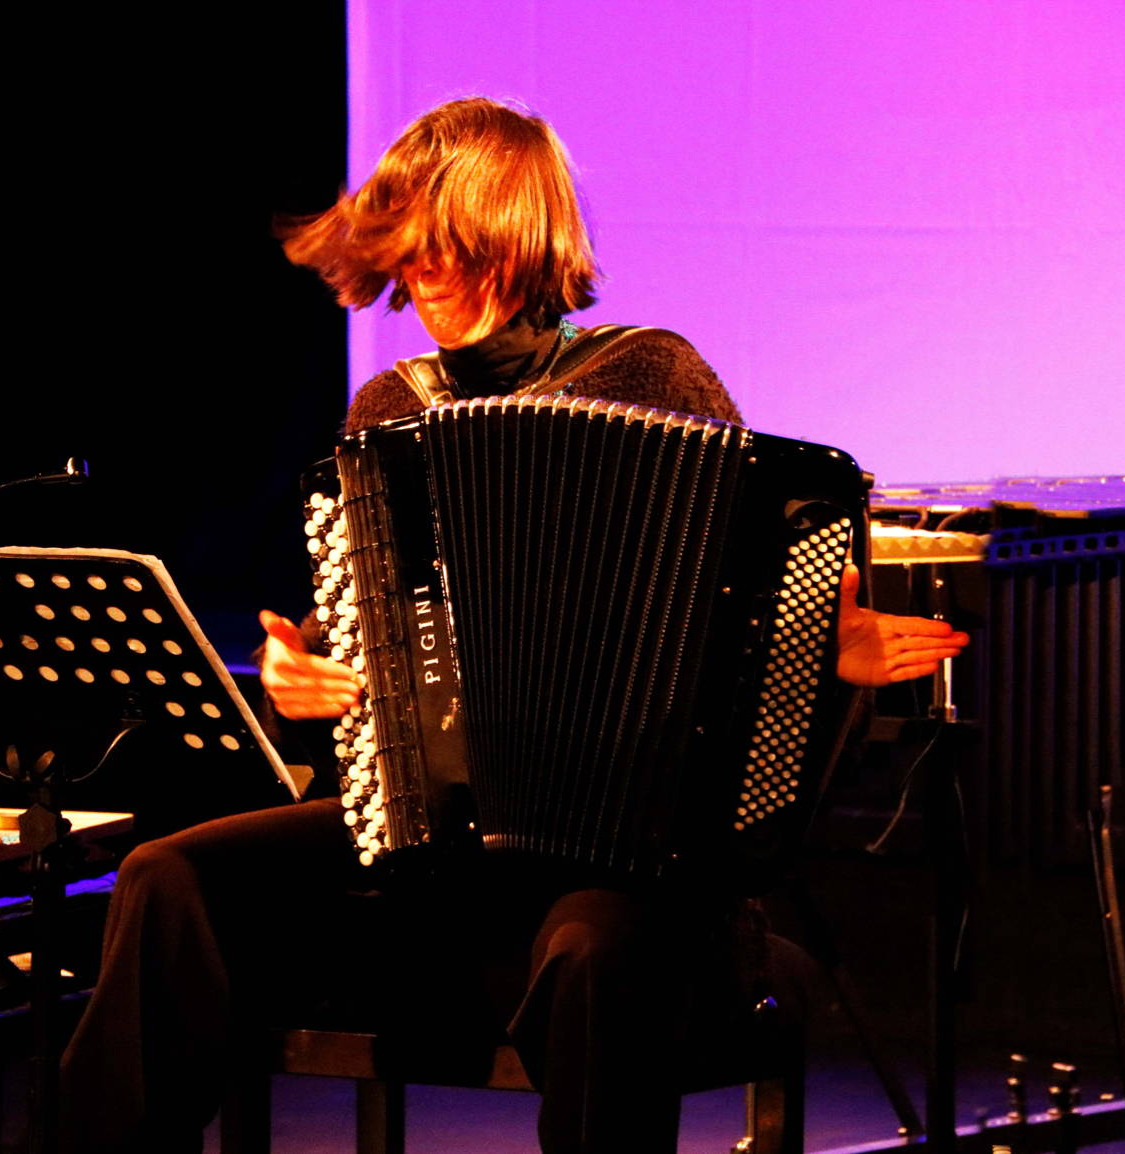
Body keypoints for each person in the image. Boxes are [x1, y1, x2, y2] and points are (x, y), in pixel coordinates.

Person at [61, 97, 968, 1154]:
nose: (425, 277)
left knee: (593, 949)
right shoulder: (387, 408)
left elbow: (746, 617)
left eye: (447, 247)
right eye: (409, 252)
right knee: (168, 876)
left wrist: (823, 654)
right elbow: (367, 646)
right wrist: (304, 674)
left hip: (633, 862)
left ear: (515, 236)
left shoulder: (654, 377)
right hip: (431, 848)